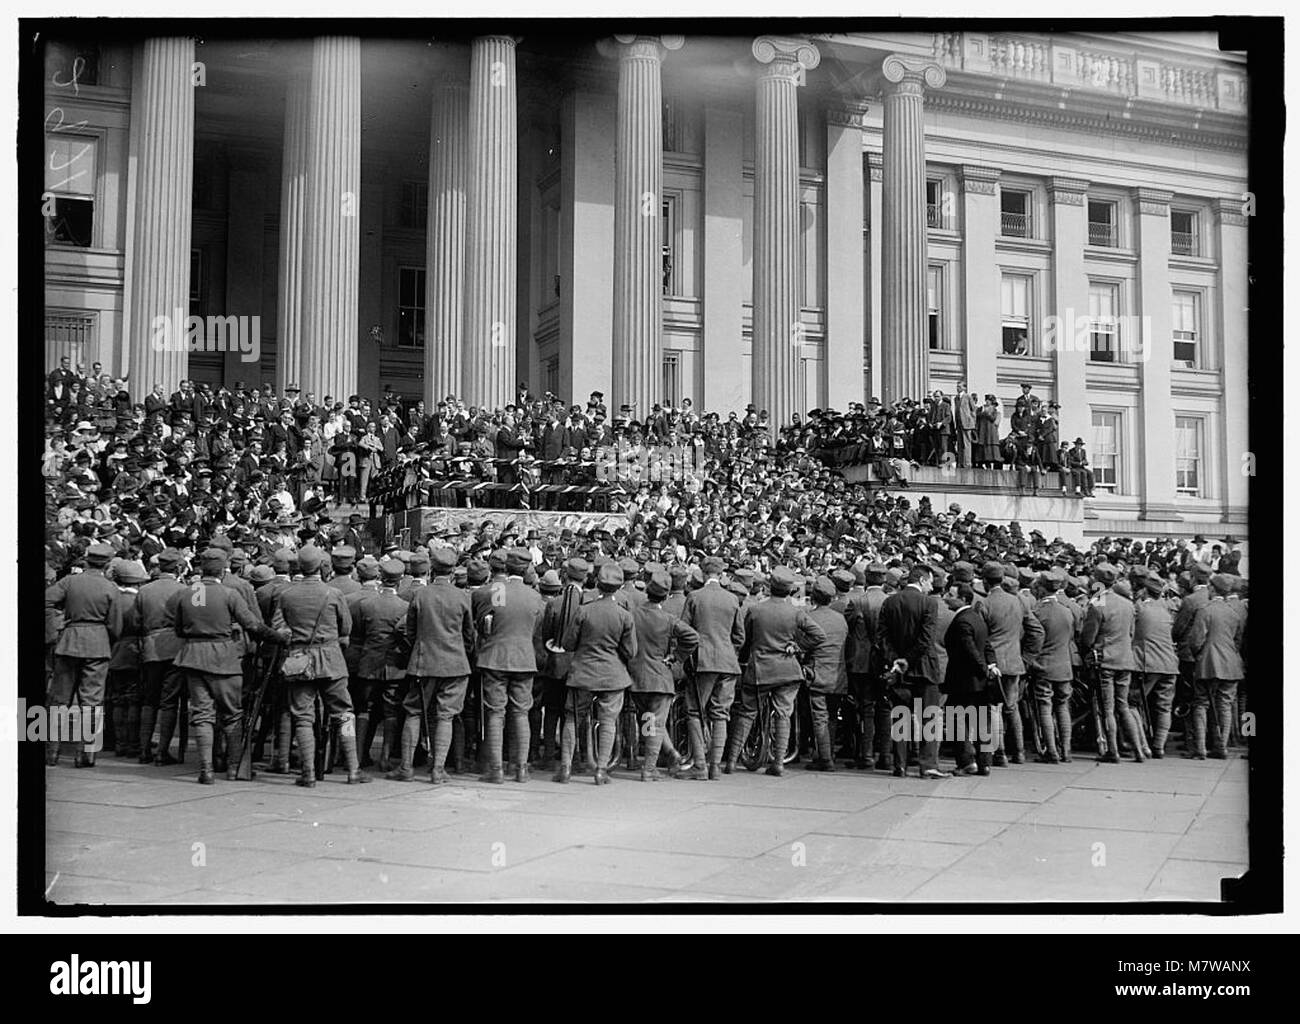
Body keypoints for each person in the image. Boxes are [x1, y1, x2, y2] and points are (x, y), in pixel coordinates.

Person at [171, 548, 286, 784]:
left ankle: (206, 769)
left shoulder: (187, 592)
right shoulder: (229, 593)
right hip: (223, 657)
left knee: (202, 715)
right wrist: (278, 637)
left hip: (192, 656)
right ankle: (234, 768)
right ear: (224, 570)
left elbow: (179, 629)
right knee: (232, 714)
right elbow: (253, 625)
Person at [270, 545, 369, 787]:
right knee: (344, 714)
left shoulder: (287, 595)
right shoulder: (332, 593)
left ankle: (308, 772)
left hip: (300, 660)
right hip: (331, 659)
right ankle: (353, 768)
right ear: (321, 566)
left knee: (303, 718)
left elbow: (278, 629)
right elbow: (346, 628)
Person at [724, 566, 825, 777]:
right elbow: (818, 635)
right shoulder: (797, 611)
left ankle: (732, 762)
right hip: (788, 670)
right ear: (789, 590)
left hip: (760, 669)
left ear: (769, 586)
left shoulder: (755, 610)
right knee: (783, 715)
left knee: (747, 713)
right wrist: (798, 646)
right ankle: (778, 762)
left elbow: (745, 640)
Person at [392, 549, 474, 782]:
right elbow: (469, 635)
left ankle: (406, 767)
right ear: (453, 570)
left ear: (431, 569)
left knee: (414, 712)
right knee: (446, 716)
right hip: (455, 664)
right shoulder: (462, 597)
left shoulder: (421, 595)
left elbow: (408, 631)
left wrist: (417, 650)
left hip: (423, 662)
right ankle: (438, 769)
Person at [556, 561, 637, 785]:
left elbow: (568, 643)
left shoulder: (584, 610)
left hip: (582, 672)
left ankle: (565, 768)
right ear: (619, 587)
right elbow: (631, 651)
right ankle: (601, 769)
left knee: (572, 718)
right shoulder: (624, 616)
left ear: (598, 585)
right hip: (612, 675)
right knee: (608, 721)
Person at [44, 543, 123, 767]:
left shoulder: (70, 582)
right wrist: (105, 639)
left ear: (87, 560)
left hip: (69, 640)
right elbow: (116, 625)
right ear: (108, 564)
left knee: (59, 699)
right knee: (92, 702)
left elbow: (47, 600)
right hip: (97, 644)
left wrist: (59, 624)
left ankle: (51, 752)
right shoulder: (110, 588)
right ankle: (86, 754)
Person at [474, 548, 544, 783]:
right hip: (524, 659)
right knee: (521, 713)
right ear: (526, 569)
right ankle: (521, 768)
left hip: (495, 657)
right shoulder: (534, 596)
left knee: (495, 713)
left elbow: (487, 621)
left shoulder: (498, 590)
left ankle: (496, 770)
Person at [877, 563, 949, 779]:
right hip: (924, 668)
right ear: (921, 580)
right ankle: (928, 765)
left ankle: (899, 764)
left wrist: (896, 660)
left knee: (900, 716)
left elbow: (881, 638)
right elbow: (926, 640)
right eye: (929, 581)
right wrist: (908, 659)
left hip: (899, 670)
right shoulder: (928, 603)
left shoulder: (889, 602)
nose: (930, 586)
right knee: (929, 717)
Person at [677, 555, 745, 780]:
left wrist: (685, 657)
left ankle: (700, 764)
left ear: (703, 574)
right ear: (721, 574)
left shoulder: (694, 596)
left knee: (694, 711)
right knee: (720, 713)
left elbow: (684, 631)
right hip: (728, 662)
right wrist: (729, 653)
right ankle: (715, 765)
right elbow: (739, 636)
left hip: (703, 662)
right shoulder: (732, 599)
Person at [628, 569, 699, 782]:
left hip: (636, 676)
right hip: (660, 676)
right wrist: (676, 656)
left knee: (649, 721)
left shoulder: (632, 614)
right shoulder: (667, 619)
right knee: (656, 723)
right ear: (666, 596)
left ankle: (671, 754)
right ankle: (649, 768)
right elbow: (692, 637)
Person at [979, 562, 1044, 765]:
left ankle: (1000, 753)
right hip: (1015, 661)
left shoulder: (983, 604)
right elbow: (1037, 632)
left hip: (993, 663)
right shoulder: (1019, 602)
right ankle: (1019, 752)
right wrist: (1027, 658)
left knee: (993, 708)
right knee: (1011, 707)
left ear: (984, 582)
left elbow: (979, 637)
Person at [1079, 563, 1143, 764]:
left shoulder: (1097, 602)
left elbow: (1088, 638)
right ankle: (1139, 751)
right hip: (1125, 659)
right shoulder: (1128, 604)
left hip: (1105, 660)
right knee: (1123, 707)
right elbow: (1131, 634)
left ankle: (1112, 750)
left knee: (1107, 709)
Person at [1185, 574, 1245, 760]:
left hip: (1208, 662)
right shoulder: (1235, 612)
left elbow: (1196, 640)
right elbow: (1237, 640)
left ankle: (1200, 748)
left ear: (1212, 589)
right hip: (1231, 664)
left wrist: (1200, 656)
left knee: (1201, 704)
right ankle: (1221, 747)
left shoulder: (1205, 610)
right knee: (1225, 705)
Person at [941, 581, 998, 775]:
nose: (946, 597)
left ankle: (966, 761)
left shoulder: (961, 621)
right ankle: (985, 762)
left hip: (964, 680)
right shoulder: (976, 618)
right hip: (979, 681)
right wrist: (991, 666)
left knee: (957, 721)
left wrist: (984, 669)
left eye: (951, 595)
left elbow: (970, 651)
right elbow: (986, 645)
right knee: (982, 721)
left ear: (963, 599)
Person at [1030, 568, 1076, 763]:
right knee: (1062, 706)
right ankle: (1066, 750)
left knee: (1045, 706)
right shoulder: (1068, 611)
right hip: (1064, 666)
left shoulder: (1038, 612)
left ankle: (1051, 750)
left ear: (1041, 589)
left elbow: (1032, 640)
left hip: (1044, 665)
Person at [1132, 569, 1179, 758]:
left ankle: (1141, 743)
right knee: (1164, 706)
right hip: (1169, 663)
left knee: (1133, 703)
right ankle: (1159, 745)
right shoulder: (1168, 610)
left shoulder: (1140, 608)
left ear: (1144, 590)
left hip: (1147, 662)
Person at [803, 575, 848, 772]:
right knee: (830, 716)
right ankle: (826, 753)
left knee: (819, 716)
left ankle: (825, 757)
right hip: (837, 674)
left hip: (817, 672)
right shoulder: (841, 620)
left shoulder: (809, 618)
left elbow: (802, 645)